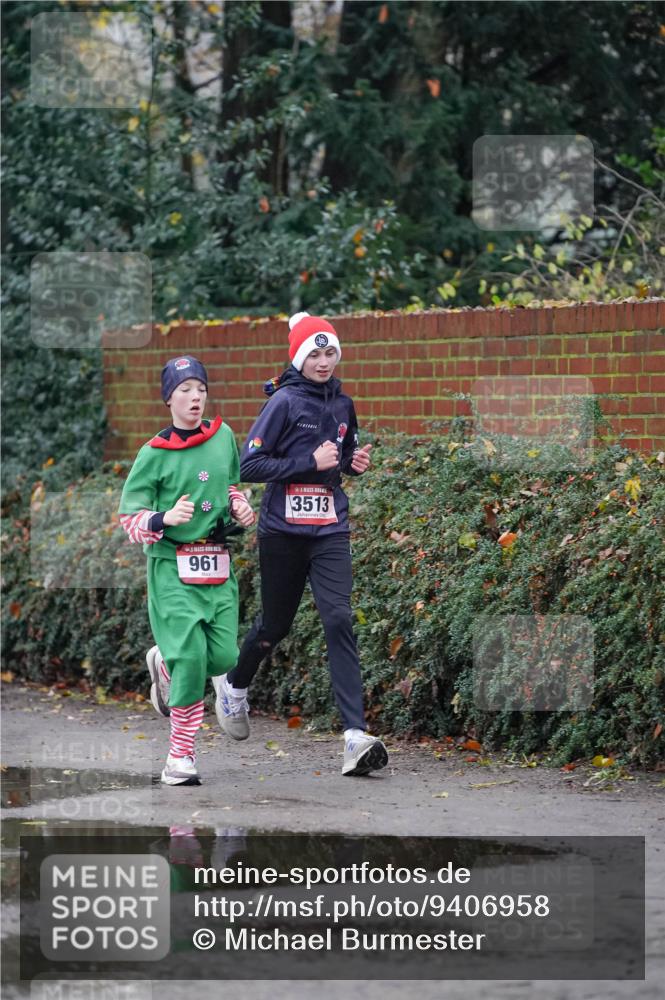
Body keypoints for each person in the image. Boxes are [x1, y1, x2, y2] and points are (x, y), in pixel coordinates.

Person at [213, 311, 389, 777]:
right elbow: (248, 467)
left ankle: (355, 736)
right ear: (299, 356)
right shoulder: (284, 403)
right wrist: (307, 460)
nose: (324, 360)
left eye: (330, 351)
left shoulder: (343, 403)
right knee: (274, 625)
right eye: (315, 352)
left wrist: (352, 464)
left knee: (339, 618)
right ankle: (233, 686)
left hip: (329, 528)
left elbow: (340, 456)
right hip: (283, 532)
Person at [118, 355, 255, 786]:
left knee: (226, 657)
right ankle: (180, 757)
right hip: (171, 569)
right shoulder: (152, 454)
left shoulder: (224, 436)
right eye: (185, 390)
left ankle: (164, 664)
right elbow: (130, 522)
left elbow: (229, 484)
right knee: (194, 661)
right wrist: (164, 518)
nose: (195, 398)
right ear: (168, 399)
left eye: (201, 389)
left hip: (217, 564)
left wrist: (239, 504)